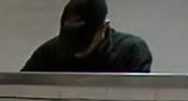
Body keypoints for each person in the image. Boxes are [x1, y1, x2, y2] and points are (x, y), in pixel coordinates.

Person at [22, 0, 152, 74]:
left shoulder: (130, 52)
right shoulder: (48, 53)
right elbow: (19, 91)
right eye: (69, 41)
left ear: (104, 28)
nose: (76, 52)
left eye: (83, 42)